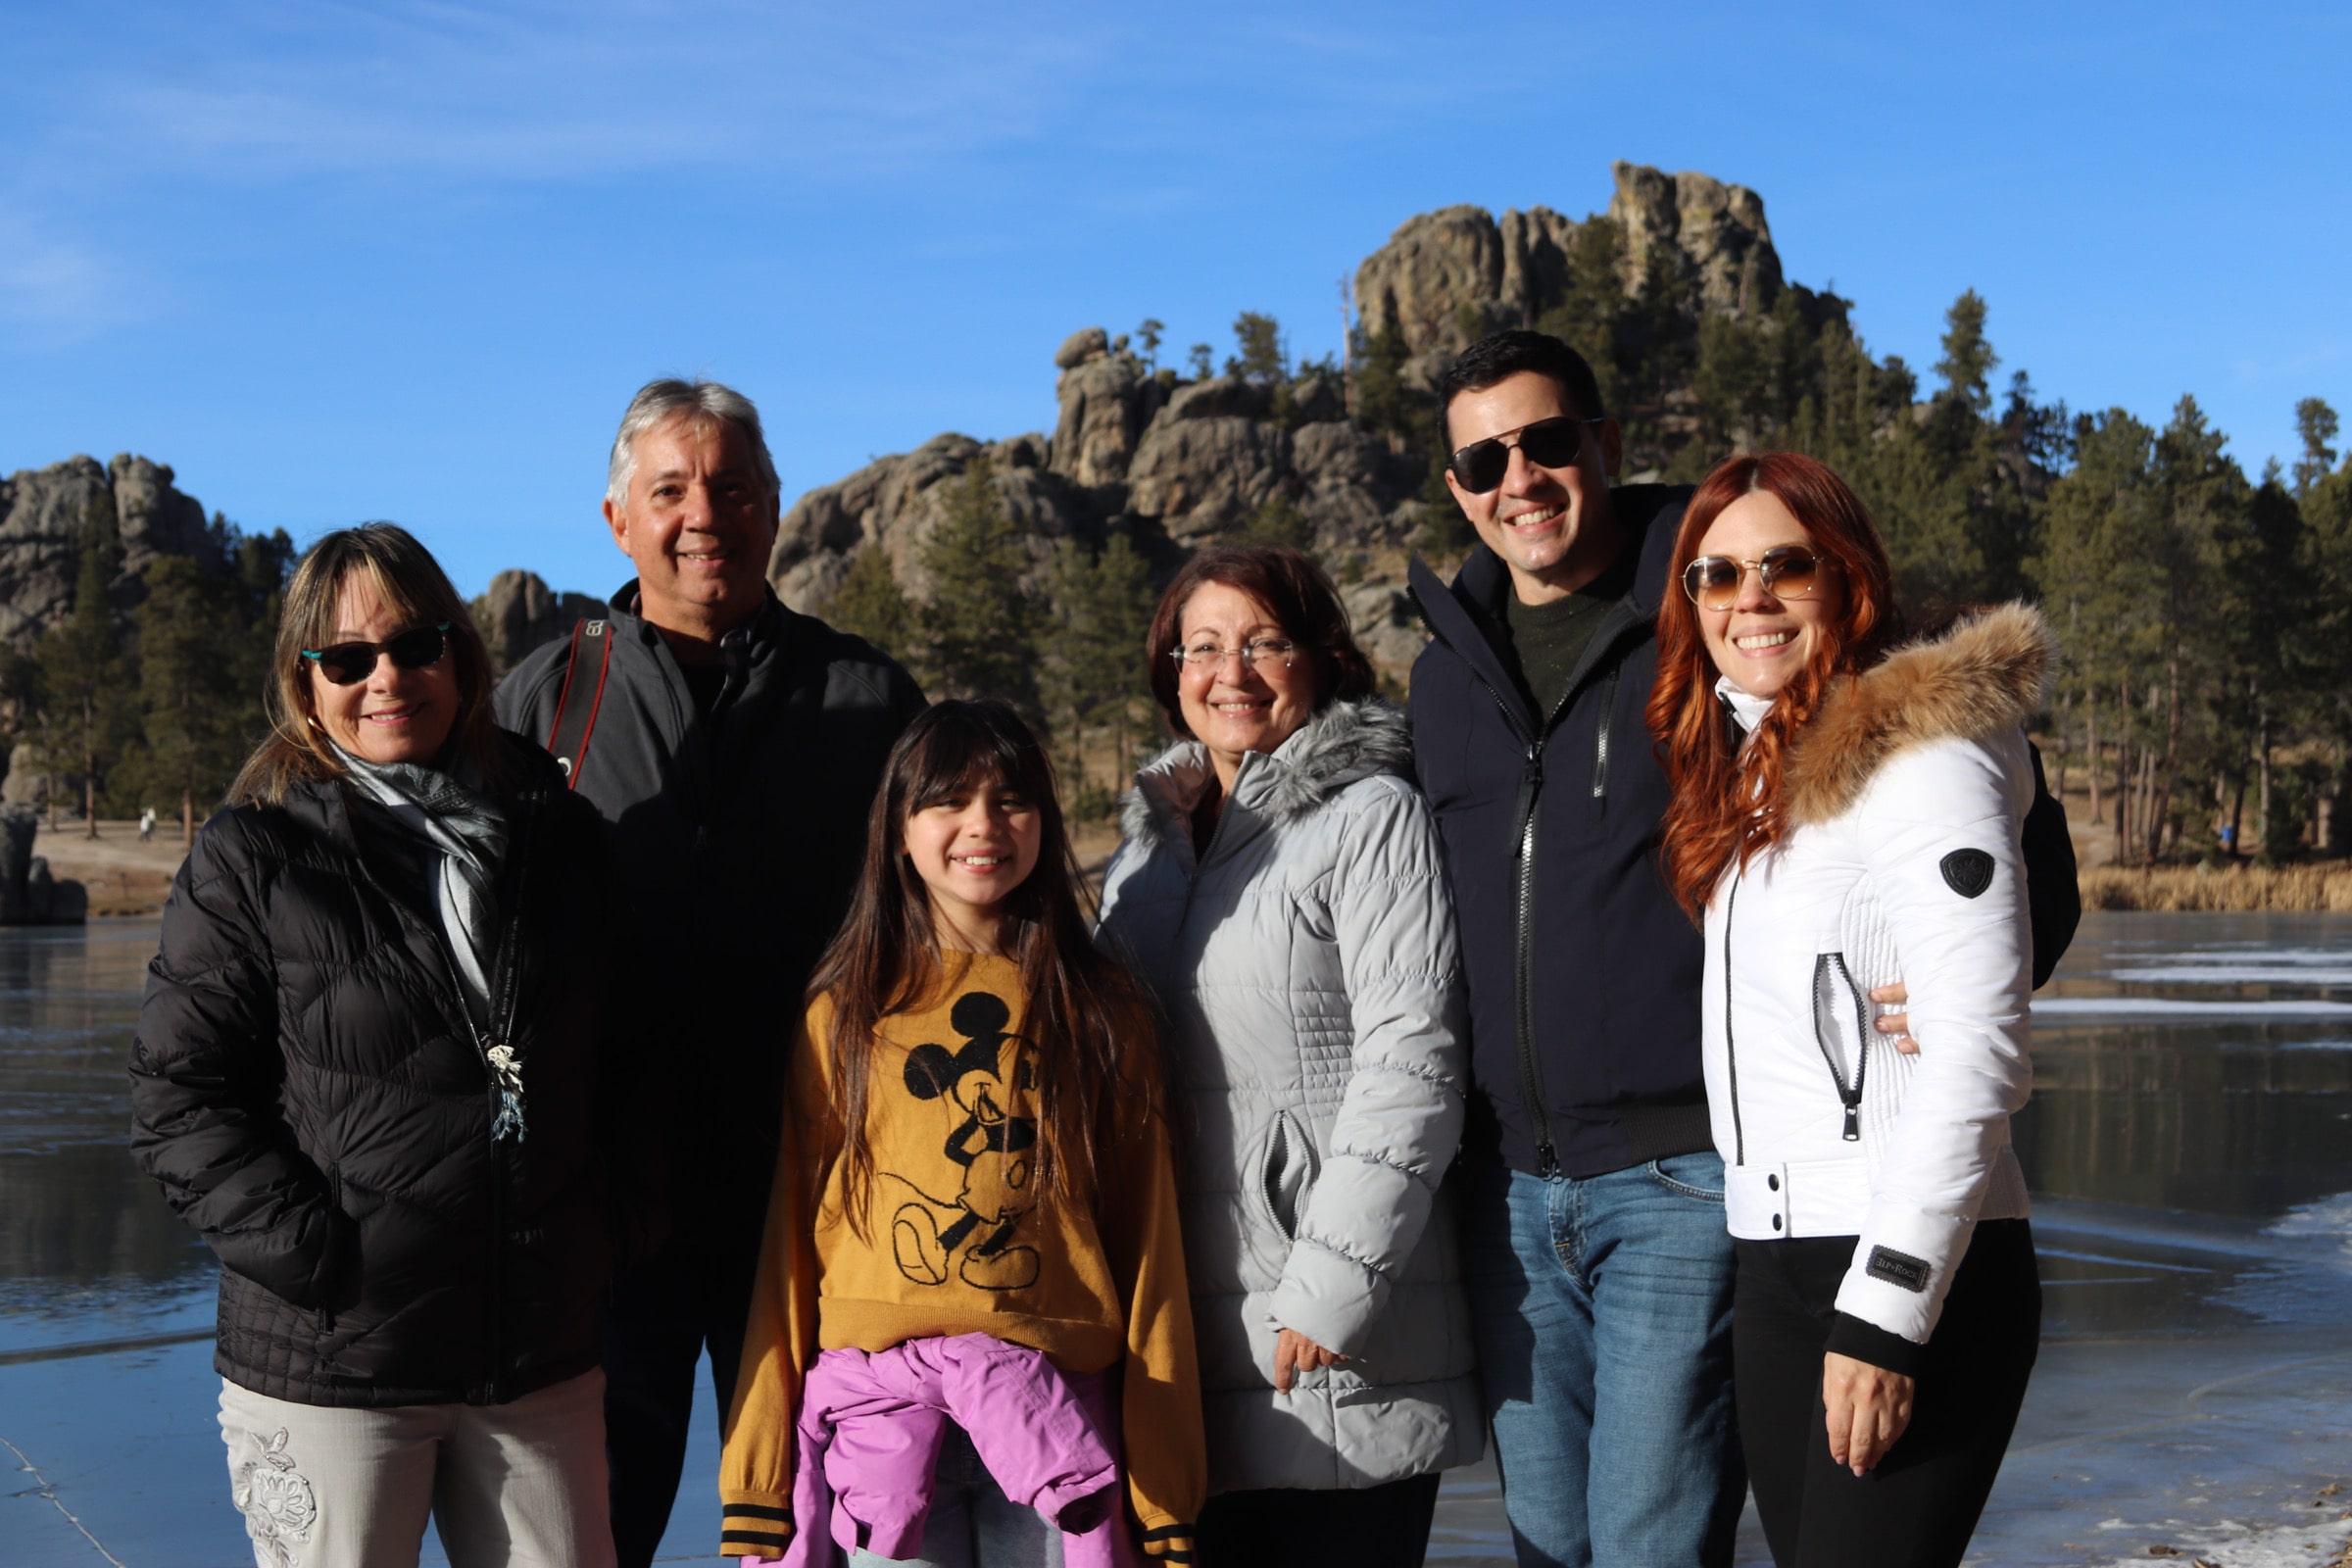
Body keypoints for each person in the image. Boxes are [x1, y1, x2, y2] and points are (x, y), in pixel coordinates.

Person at [1406, 330, 2078, 1568]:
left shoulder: (1889, 735)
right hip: (1548, 1197)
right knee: (1554, 1541)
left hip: (1692, 1188)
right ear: (1455, 485)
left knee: (1661, 1548)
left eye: (1548, 440)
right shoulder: (1476, 682)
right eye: (1483, 456)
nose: (1520, 474)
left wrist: (1942, 1006)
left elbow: (2004, 933)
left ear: (1603, 446)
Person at [130, 522, 623, 1568]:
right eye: (348, 659)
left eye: (415, 645)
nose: (388, 677)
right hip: (335, 1363)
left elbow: (631, 1063)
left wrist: (603, 1235)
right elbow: (181, 1102)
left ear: (462, 656)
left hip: (534, 1354)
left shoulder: (558, 838)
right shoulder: (255, 857)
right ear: (305, 685)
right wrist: (326, 1260)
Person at [493, 378, 924, 1566]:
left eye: (733, 487)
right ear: (616, 518)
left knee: (809, 1521)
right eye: (671, 490)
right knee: (595, 1525)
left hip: (812, 1199)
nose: (704, 515)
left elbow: (948, 932)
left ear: (775, 509)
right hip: (601, 1206)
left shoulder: (869, 697)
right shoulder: (545, 700)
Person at [1647, 451, 2046, 1566]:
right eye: (1715, 577)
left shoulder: (1919, 754)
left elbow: (1978, 1053)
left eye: (1785, 566)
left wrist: (1885, 1309)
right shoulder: (1754, 765)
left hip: (1907, 1259)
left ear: (1848, 573)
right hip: (1776, 1257)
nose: (1750, 599)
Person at [718, 700, 1203, 1567]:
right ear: (899, 830)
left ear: (1045, 825)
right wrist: (756, 1479)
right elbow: (791, 1244)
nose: (983, 824)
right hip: (884, 1426)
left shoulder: (1101, 1009)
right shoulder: (844, 1013)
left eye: (1011, 799)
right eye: (949, 800)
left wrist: (1166, 1478)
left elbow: (1149, 1244)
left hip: (1055, 1417)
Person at [1096, 544, 1479, 1568]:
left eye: (1265, 641)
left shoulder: (1368, 818)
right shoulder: (1148, 852)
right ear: (1171, 671)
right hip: (1179, 1340)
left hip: (1329, 1329)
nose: (1233, 671)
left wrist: (1329, 1286)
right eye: (1204, 646)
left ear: (1324, 658)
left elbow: (1414, 1059)